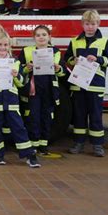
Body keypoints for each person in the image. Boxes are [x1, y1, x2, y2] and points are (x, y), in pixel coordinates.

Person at [0, 32, 41, 168]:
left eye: (5, 45)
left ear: (9, 46)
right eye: (0, 44)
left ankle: (29, 155)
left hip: (11, 102)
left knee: (19, 127)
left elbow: (21, 83)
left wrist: (16, 76)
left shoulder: (15, 62)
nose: (3, 47)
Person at [64, 10, 108, 157]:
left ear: (98, 24)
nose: (90, 27)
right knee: (79, 116)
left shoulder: (104, 41)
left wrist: (99, 59)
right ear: (82, 24)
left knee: (95, 116)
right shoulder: (75, 41)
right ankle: (78, 143)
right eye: (87, 24)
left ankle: (98, 145)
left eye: (93, 24)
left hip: (95, 85)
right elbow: (67, 58)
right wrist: (72, 60)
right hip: (78, 84)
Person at [18, 25, 66, 155]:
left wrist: (58, 69)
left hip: (49, 90)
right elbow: (19, 70)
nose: (41, 37)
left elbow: (63, 73)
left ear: (49, 37)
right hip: (34, 90)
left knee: (47, 117)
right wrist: (27, 68)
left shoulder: (55, 51)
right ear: (34, 38)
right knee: (33, 117)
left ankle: (43, 145)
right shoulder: (27, 51)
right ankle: (33, 144)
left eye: (44, 35)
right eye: (38, 35)